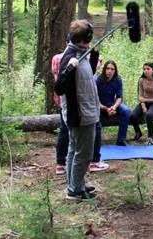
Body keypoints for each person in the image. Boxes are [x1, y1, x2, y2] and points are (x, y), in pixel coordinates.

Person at [54, 20, 101, 200]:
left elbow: (87, 74)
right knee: (83, 153)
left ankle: (76, 184)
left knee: (75, 150)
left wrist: (94, 55)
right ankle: (74, 190)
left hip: (84, 111)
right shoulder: (70, 57)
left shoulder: (80, 53)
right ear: (83, 39)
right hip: (80, 115)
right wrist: (69, 69)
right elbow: (59, 88)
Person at [52, 48, 108, 176]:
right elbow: (62, 84)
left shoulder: (57, 58)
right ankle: (84, 172)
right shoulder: (74, 59)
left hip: (65, 103)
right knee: (79, 143)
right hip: (75, 105)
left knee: (67, 135)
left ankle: (61, 165)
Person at [95, 60, 131, 147]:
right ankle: (97, 140)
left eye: (112, 69)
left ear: (115, 71)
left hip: (112, 104)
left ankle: (121, 139)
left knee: (126, 111)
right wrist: (105, 108)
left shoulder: (118, 79)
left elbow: (119, 97)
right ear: (104, 69)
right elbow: (95, 99)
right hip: (99, 105)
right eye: (108, 68)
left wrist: (114, 107)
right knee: (95, 114)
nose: (110, 71)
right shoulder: (98, 80)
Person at [129, 62, 153, 145]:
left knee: (149, 115)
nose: (146, 71)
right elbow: (140, 96)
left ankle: (150, 137)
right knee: (132, 116)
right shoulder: (141, 80)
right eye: (144, 69)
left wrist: (146, 100)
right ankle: (138, 132)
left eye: (148, 69)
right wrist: (143, 106)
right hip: (144, 103)